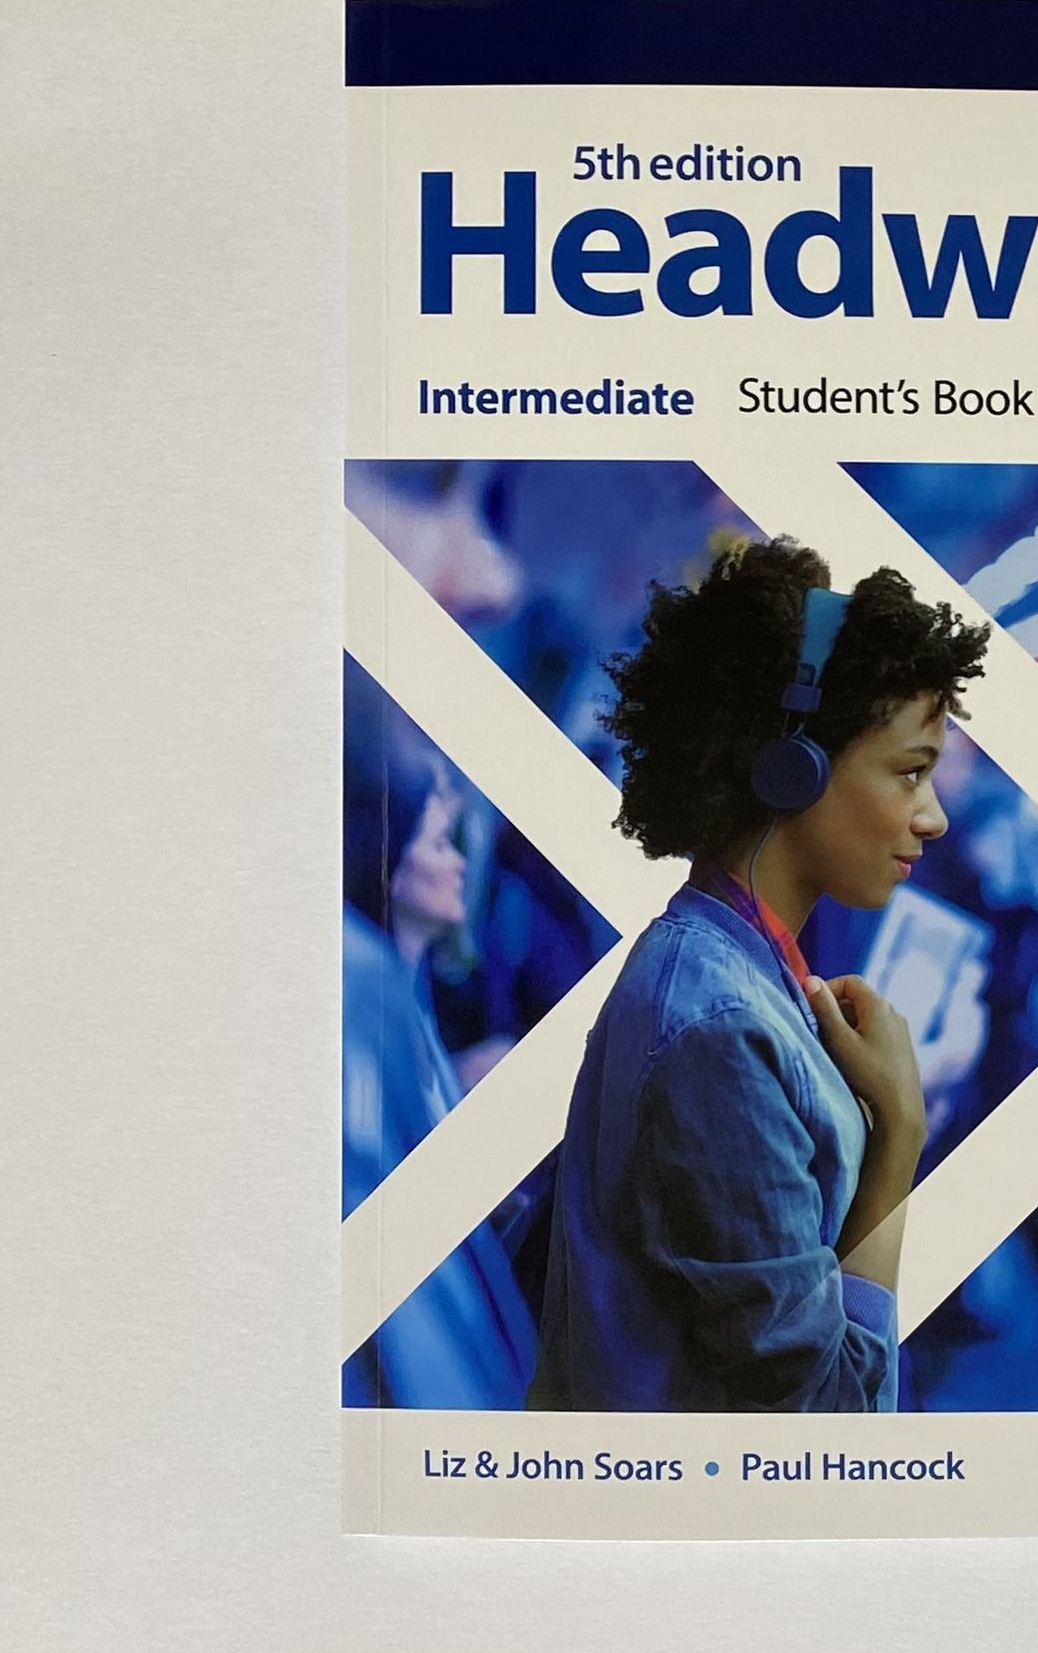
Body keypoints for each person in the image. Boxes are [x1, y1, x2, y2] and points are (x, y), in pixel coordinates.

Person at [526, 538, 987, 1412]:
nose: (933, 816)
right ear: (792, 772)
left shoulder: (731, 973)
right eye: (910, 772)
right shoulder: (720, 1029)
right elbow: (823, 1420)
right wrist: (898, 1131)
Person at [341, 663, 542, 1407]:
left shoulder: (407, 1000)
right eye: (436, 842)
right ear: (385, 854)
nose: (458, 863)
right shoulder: (363, 999)